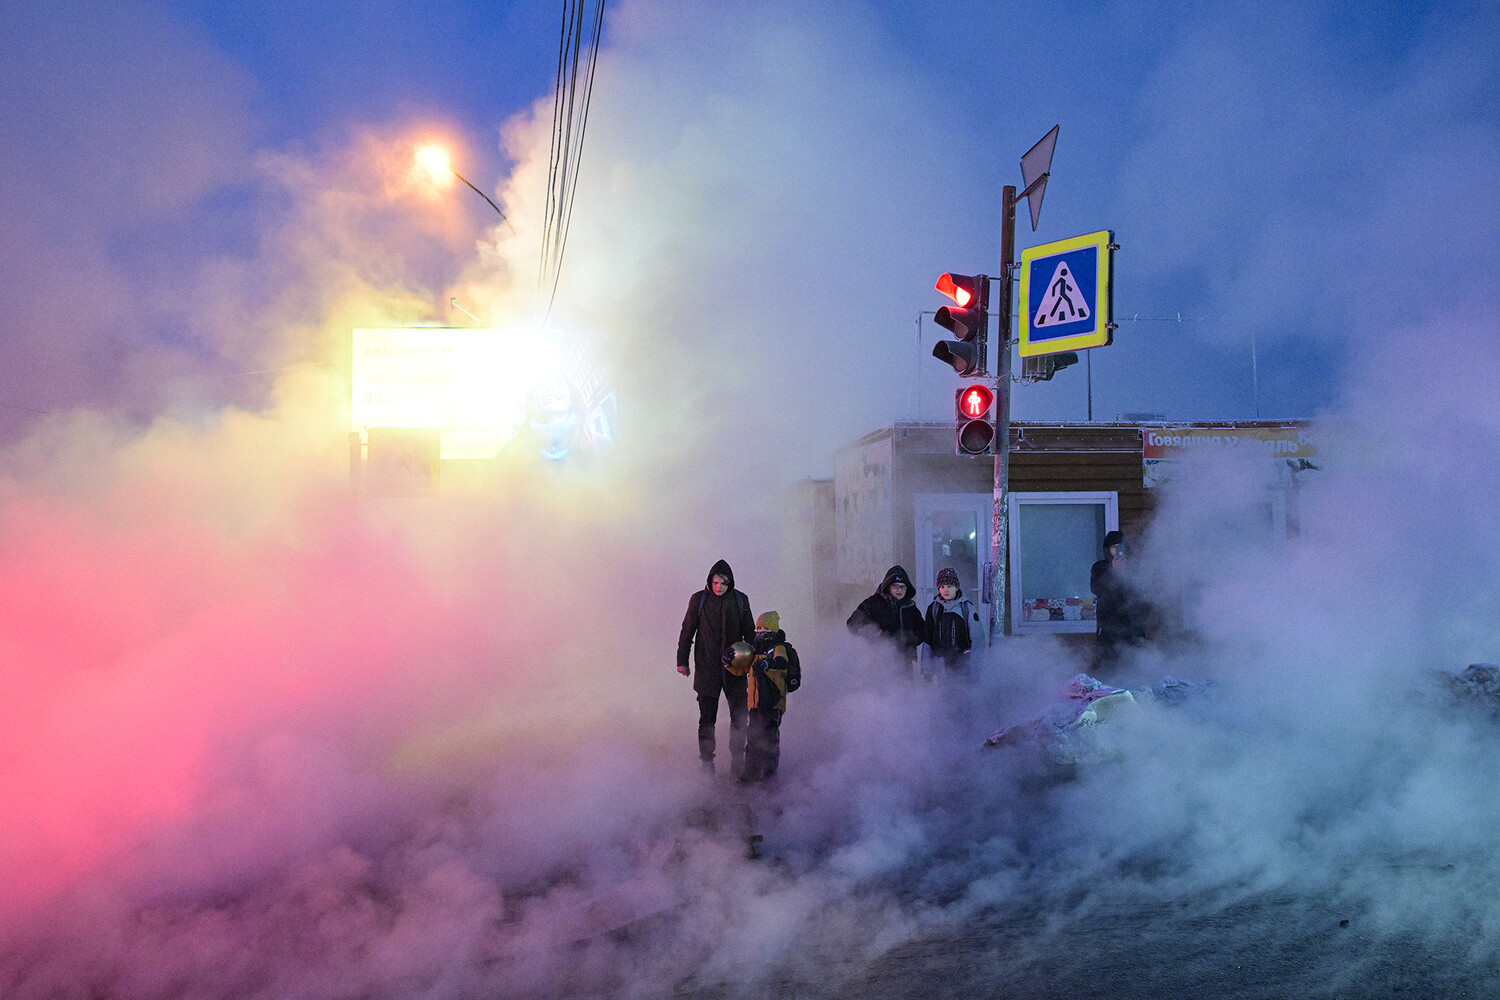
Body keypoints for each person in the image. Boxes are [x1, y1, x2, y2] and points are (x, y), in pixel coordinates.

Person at [676, 559, 755, 774]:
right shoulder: (699, 600)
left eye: (723, 583)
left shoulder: (740, 600)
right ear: (709, 581)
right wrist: (681, 661)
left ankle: (738, 760)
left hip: (735, 669)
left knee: (739, 716)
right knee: (707, 718)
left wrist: (752, 660)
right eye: (715, 582)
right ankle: (707, 763)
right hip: (707, 668)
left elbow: (750, 633)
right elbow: (687, 631)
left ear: (730, 583)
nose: (718, 587)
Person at [740, 611, 800, 784]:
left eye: (765, 628)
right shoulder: (754, 649)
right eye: (759, 628)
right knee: (752, 738)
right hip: (756, 702)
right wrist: (729, 662)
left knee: (769, 739)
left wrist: (768, 663)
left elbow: (781, 661)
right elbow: (742, 669)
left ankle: (769, 776)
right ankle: (750, 773)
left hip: (772, 702)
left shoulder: (778, 647)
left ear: (773, 629)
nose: (761, 631)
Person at [1089, 530, 1151, 673]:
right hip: (1109, 631)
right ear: (1107, 549)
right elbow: (1097, 588)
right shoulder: (1099, 568)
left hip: (1133, 631)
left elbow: (1145, 595)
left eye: (1120, 546)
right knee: (1109, 671)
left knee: (1136, 672)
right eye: (1113, 547)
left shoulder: (1136, 567)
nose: (1117, 550)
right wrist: (1114, 572)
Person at [846, 565, 925, 672]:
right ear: (888, 586)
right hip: (879, 661)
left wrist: (911, 640)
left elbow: (922, 629)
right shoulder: (873, 603)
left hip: (905, 661)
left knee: (905, 687)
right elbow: (852, 623)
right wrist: (874, 634)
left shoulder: (910, 606)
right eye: (896, 586)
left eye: (903, 587)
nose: (899, 590)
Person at [923, 567, 984, 679]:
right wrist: (927, 670)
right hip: (940, 666)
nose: (946, 590)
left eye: (949, 586)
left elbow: (978, 639)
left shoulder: (967, 608)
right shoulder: (933, 609)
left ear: (956, 587)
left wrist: (975, 669)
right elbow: (927, 640)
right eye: (942, 587)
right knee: (941, 695)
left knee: (961, 694)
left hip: (963, 666)